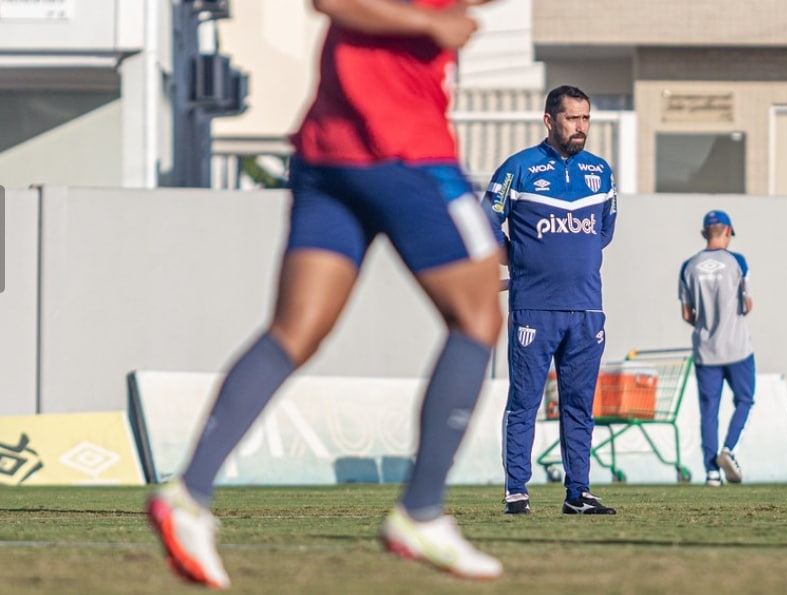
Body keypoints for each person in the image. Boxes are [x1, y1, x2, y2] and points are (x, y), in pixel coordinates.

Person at [145, 0, 505, 587]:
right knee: (478, 317)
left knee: (295, 331)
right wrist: (429, 24)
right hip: (401, 150)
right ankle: (421, 513)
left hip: (328, 155)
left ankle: (188, 496)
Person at [483, 85, 618, 515]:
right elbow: (485, 222)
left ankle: (578, 493)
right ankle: (516, 492)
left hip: (586, 309)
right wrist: (518, 258)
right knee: (524, 403)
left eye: (586, 118)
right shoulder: (519, 168)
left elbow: (603, 233)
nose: (581, 126)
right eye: (572, 118)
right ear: (549, 120)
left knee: (579, 406)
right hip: (534, 308)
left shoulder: (601, 172)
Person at [678, 209, 755, 487]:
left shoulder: (688, 266)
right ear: (728, 231)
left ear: (704, 233)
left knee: (709, 411)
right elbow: (747, 304)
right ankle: (729, 449)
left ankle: (711, 472)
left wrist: (705, 324)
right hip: (737, 348)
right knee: (745, 400)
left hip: (705, 350)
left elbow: (687, 313)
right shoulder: (738, 262)